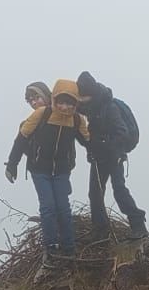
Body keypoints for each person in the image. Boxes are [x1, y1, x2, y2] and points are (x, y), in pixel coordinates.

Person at [7, 79, 90, 276]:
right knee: (48, 207)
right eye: (61, 102)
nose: (65, 106)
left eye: (70, 103)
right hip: (40, 170)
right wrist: (12, 164)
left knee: (63, 207)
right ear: (54, 99)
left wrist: (105, 150)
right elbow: (21, 139)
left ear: (76, 104)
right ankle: (51, 248)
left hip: (61, 171)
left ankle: (69, 249)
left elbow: (88, 140)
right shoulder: (41, 114)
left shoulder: (77, 120)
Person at [74, 71, 147, 244]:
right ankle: (100, 230)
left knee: (119, 190)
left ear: (90, 94)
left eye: (82, 96)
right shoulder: (90, 107)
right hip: (99, 158)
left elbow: (121, 133)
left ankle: (138, 226)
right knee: (95, 194)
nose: (80, 100)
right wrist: (91, 149)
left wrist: (112, 150)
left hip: (114, 157)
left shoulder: (109, 107)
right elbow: (89, 137)